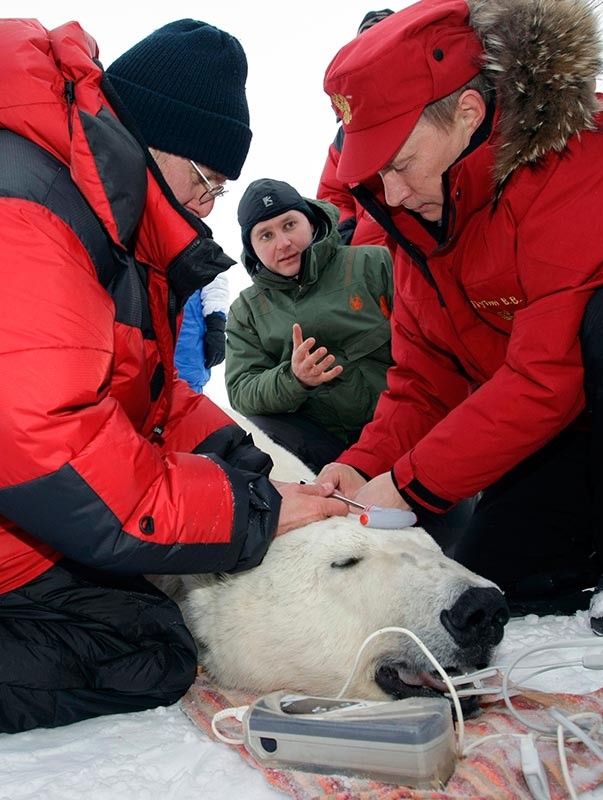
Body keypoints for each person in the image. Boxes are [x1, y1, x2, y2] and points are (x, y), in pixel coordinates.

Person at [0, 17, 347, 735]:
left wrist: (245, 461)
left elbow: (148, 392)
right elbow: (47, 445)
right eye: (205, 180)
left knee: (144, 617)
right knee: (148, 651)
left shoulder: (101, 224)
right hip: (23, 501)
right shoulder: (30, 217)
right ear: (152, 139)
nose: (206, 206)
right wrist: (254, 513)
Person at [320, 0, 603, 639]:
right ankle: (599, 552)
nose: (393, 194)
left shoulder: (584, 163)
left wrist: (405, 487)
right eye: (377, 173)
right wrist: (362, 466)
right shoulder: (423, 216)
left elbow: (544, 381)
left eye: (400, 163)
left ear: (466, 112)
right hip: (592, 419)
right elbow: (424, 382)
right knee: (496, 577)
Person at [225, 178, 394, 473]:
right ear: (251, 249)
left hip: (398, 429)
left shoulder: (374, 263)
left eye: (290, 224)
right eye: (266, 235)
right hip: (321, 445)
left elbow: (430, 337)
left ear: (311, 221)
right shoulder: (246, 311)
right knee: (250, 434)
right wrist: (294, 378)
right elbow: (241, 390)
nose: (283, 243)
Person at [316, 9, 393, 247]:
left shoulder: (432, 106)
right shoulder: (346, 135)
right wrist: (345, 237)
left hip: (428, 249)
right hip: (368, 260)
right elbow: (333, 195)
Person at [175, 271, 230, 393]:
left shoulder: (199, 252)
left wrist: (216, 325)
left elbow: (214, 277)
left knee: (186, 386)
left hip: (187, 336)